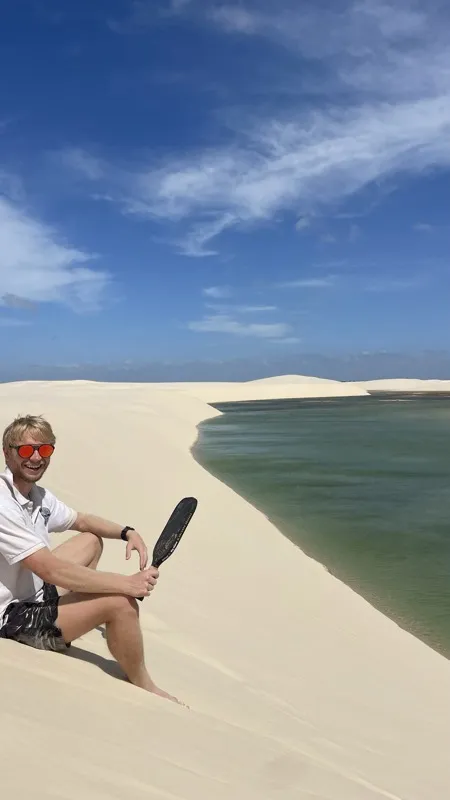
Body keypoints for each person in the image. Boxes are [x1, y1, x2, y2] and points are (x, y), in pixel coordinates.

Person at [0, 414, 182, 705]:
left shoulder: (37, 496)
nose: (36, 457)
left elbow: (82, 521)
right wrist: (127, 585)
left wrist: (126, 531)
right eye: (25, 450)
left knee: (90, 541)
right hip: (11, 616)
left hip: (33, 591)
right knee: (120, 603)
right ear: (7, 453)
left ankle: (74, 618)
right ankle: (143, 684)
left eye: (44, 449)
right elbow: (51, 569)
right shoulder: (2, 503)